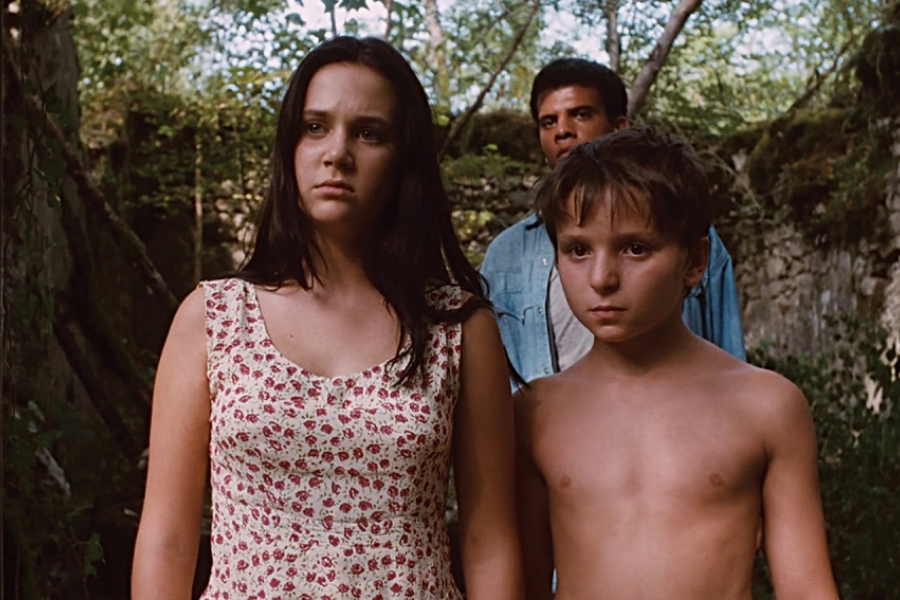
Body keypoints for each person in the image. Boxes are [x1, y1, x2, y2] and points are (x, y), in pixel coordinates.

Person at [131, 36, 523, 600]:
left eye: (369, 132)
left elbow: (490, 541)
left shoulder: (458, 328)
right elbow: (167, 538)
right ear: (290, 145)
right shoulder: (212, 316)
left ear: (403, 158)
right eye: (315, 127)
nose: (336, 152)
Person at [515, 128, 839, 600]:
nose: (602, 278)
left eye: (635, 248)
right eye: (578, 250)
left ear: (695, 260)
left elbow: (807, 588)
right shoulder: (534, 411)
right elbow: (524, 582)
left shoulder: (766, 406)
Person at [480, 58, 744, 386]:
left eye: (580, 114)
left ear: (619, 127)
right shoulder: (506, 253)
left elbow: (727, 352)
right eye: (548, 121)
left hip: (675, 426)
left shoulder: (683, 233)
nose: (562, 130)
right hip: (543, 432)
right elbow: (491, 373)